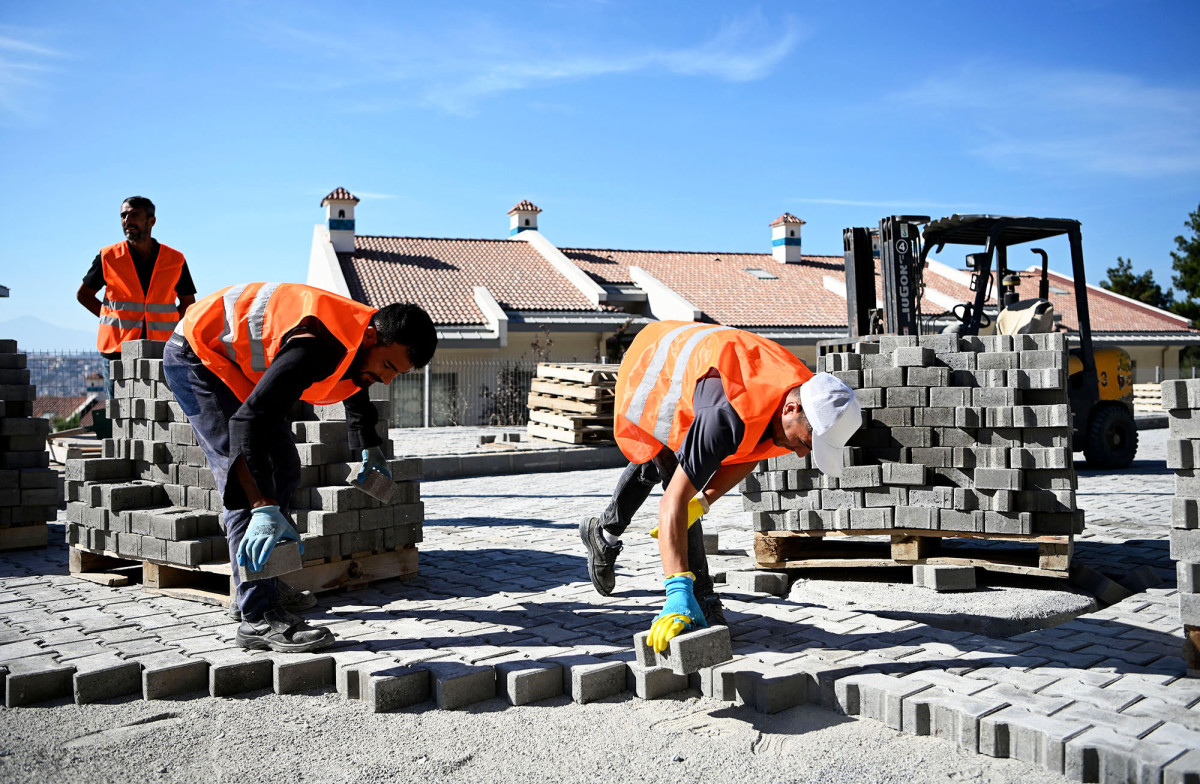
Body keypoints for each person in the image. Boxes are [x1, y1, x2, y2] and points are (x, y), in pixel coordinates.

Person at [163, 282, 437, 653]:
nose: (388, 378)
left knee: (284, 467)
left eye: (397, 374)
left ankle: (263, 582)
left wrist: (369, 447)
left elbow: (356, 382)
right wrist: (263, 506)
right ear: (372, 337)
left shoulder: (356, 340)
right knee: (248, 481)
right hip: (198, 356)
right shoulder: (315, 345)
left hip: (232, 363)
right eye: (388, 366)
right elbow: (247, 424)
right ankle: (257, 616)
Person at [579, 321, 862, 653]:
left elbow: (754, 449)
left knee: (667, 467)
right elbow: (673, 502)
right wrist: (676, 590)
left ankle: (604, 534)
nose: (801, 452)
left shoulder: (799, 396)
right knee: (667, 464)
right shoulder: (725, 417)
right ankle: (699, 598)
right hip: (657, 371)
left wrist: (706, 500)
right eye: (804, 442)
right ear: (791, 410)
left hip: (704, 378)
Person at [76, 197, 197, 372]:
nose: (127, 220)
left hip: (161, 348)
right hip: (117, 350)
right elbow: (83, 295)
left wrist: (169, 323)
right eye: (123, 215)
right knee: (118, 401)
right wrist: (111, 318)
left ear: (152, 221)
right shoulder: (108, 256)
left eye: (134, 215)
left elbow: (188, 303)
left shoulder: (175, 259)